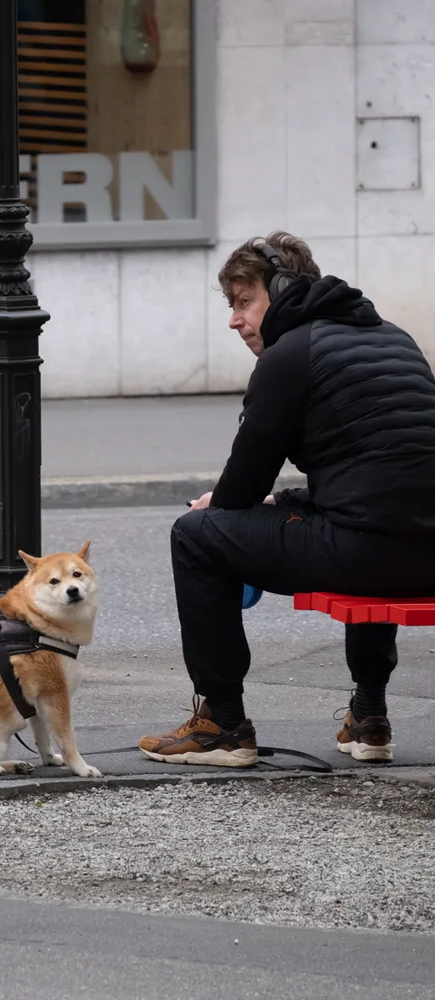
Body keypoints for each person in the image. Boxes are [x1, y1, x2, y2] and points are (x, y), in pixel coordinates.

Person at [139, 231, 435, 767]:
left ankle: (223, 723)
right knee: (368, 529)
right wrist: (287, 501)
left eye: (244, 301)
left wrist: (221, 507)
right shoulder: (396, 338)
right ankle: (369, 715)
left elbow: (243, 488)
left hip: (364, 553)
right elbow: (383, 474)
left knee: (196, 537)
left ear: (281, 288)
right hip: (427, 554)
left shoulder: (289, 354)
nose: (235, 320)